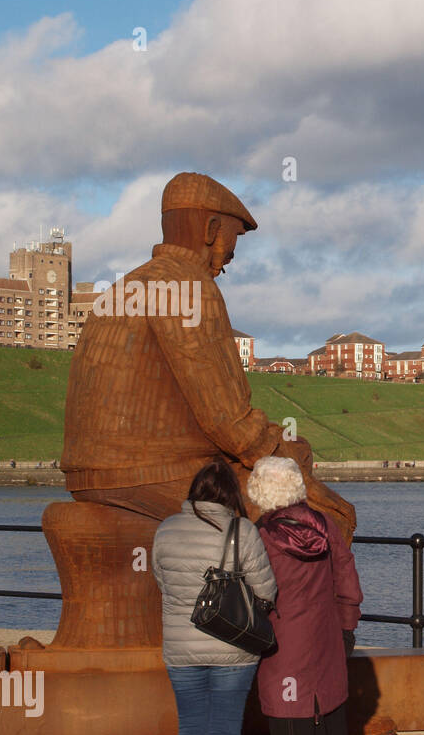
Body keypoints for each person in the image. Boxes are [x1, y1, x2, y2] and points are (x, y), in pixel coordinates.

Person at [60, 172, 354, 540]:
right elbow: (227, 421)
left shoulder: (125, 287)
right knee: (324, 520)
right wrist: (285, 453)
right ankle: (273, 599)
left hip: (88, 473)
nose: (230, 256)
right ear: (211, 228)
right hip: (152, 473)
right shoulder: (190, 285)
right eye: (233, 238)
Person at [151, 457, 277, 735]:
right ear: (230, 495)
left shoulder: (166, 529)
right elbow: (267, 592)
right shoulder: (243, 531)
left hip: (181, 647)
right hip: (233, 650)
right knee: (224, 733)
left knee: (190, 733)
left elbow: (161, 582)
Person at [247, 456, 363, 735]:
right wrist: (346, 628)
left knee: (289, 716)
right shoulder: (326, 524)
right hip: (325, 635)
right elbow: (347, 579)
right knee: (323, 711)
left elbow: (254, 590)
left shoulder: (262, 533)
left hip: (284, 638)